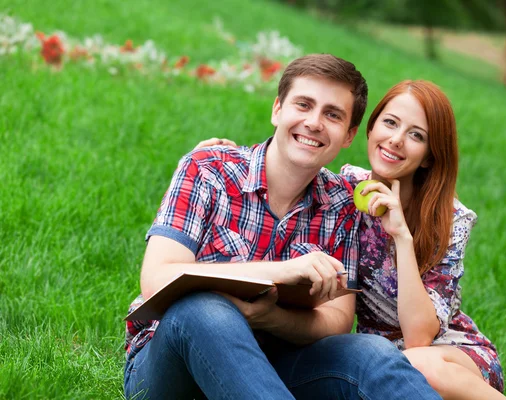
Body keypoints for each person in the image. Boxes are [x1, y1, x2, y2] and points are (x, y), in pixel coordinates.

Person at [124, 54, 441, 400]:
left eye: (332, 115)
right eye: (303, 104)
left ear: (349, 135)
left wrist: (268, 317)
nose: (314, 122)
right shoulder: (207, 170)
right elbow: (156, 278)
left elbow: (337, 318)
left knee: (373, 353)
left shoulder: (342, 203)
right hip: (172, 366)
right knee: (204, 310)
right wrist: (282, 272)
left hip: (275, 365)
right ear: (277, 109)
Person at [199, 80, 506, 399]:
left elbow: (419, 338)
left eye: (416, 135)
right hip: (368, 357)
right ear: (370, 131)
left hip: (445, 355)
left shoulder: (450, 219)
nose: (396, 140)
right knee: (380, 366)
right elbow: (285, 169)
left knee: (412, 364)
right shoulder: (345, 190)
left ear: (429, 156)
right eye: (390, 123)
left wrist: (401, 235)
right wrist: (222, 156)